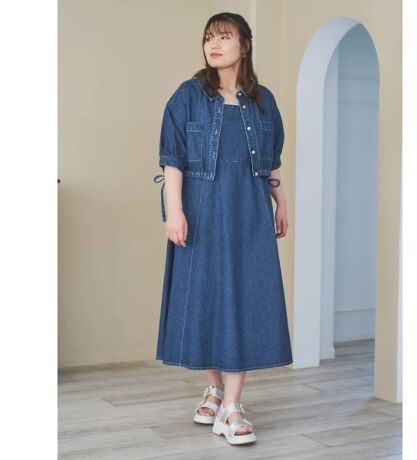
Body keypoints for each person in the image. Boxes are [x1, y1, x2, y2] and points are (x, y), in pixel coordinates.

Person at [153, 12, 292, 445]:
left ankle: (231, 405)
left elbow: (270, 160)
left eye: (224, 37)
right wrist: (174, 211)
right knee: (206, 299)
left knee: (244, 300)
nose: (213, 45)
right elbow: (172, 159)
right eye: (208, 38)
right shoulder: (188, 95)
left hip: (248, 211)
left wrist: (281, 199)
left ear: (245, 45)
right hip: (200, 210)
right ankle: (214, 388)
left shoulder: (264, 101)